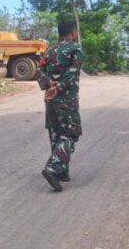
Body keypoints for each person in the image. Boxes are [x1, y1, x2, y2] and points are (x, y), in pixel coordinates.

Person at [37, 21, 84, 192]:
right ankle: (53, 168)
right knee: (71, 134)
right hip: (66, 98)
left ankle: (62, 172)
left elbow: (39, 70)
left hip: (50, 99)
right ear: (72, 32)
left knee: (56, 134)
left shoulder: (49, 50)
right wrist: (59, 87)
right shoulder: (75, 49)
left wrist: (49, 84)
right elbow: (72, 72)